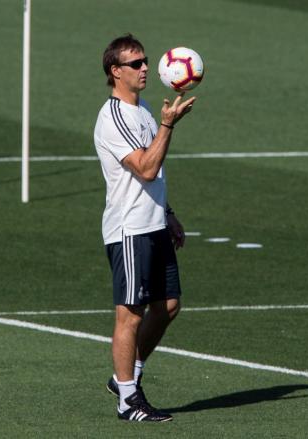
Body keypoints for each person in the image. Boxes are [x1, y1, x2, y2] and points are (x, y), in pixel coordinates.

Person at [93, 34, 196, 422]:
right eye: (135, 64)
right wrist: (168, 126)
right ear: (114, 71)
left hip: (153, 224)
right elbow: (146, 167)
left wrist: (167, 213)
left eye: (146, 61)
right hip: (130, 229)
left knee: (168, 306)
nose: (145, 69)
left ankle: (126, 379)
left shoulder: (146, 109)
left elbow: (154, 178)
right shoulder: (114, 117)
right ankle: (127, 401)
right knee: (130, 315)